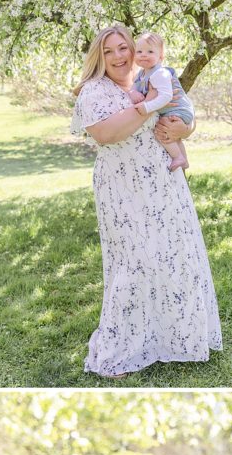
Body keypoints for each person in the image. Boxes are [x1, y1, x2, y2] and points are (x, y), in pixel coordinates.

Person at [70, 25, 222, 379]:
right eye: (110, 51)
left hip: (163, 180)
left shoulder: (149, 78)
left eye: (124, 47)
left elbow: (180, 108)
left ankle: (171, 338)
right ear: (99, 57)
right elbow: (107, 134)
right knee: (132, 260)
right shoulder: (94, 91)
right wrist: (148, 108)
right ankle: (119, 348)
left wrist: (186, 128)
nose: (120, 56)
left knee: (171, 254)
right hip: (122, 186)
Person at [130, 31, 194, 172]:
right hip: (172, 110)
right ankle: (184, 159)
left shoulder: (161, 73)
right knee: (175, 137)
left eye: (150, 51)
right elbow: (132, 88)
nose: (144, 55)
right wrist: (133, 93)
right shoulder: (141, 74)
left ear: (161, 57)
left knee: (162, 131)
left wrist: (147, 107)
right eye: (139, 51)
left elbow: (166, 96)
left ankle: (178, 157)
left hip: (179, 109)